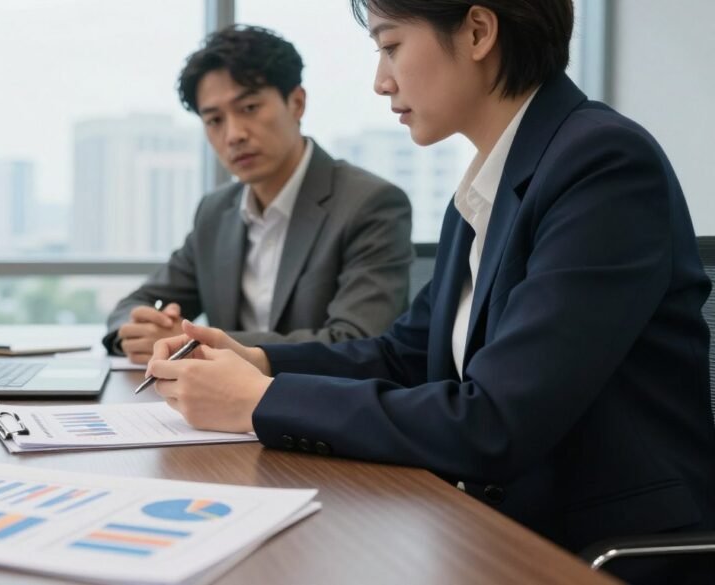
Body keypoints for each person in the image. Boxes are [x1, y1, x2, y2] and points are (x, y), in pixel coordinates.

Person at [146, 2, 715, 582]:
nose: (380, 81)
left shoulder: (601, 164)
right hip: (488, 525)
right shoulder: (488, 185)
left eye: (390, 47)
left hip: (599, 552)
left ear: (477, 31)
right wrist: (258, 360)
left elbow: (496, 421)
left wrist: (260, 401)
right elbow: (406, 355)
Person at [103, 25, 413, 364]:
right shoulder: (215, 211)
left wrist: (193, 342)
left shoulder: (371, 204)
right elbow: (136, 304)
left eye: (249, 108)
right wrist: (137, 331)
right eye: (215, 120)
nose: (233, 134)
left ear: (296, 103)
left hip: (317, 408)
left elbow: (356, 343)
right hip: (216, 409)